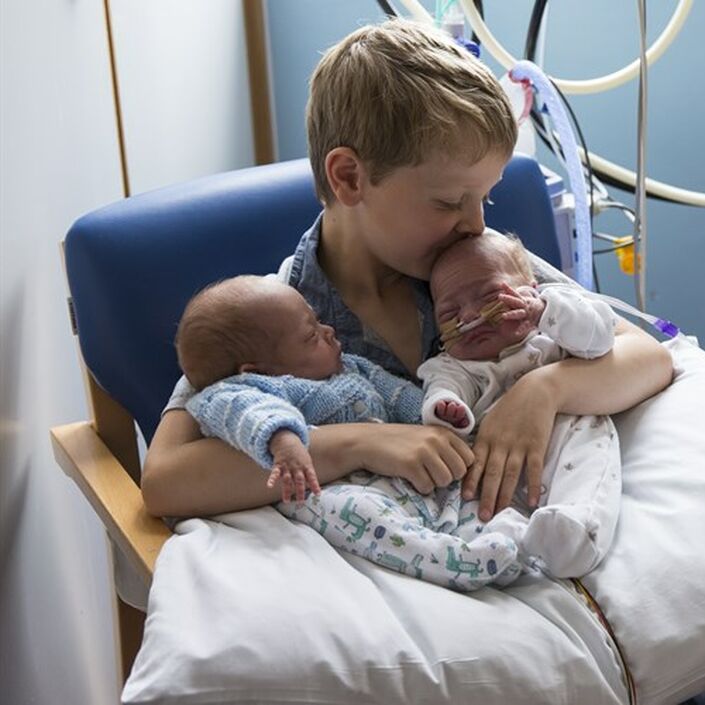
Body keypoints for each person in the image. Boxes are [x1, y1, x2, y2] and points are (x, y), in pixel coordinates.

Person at [141, 19, 672, 528]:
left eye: (485, 197)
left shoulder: (469, 265)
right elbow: (166, 479)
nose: (476, 223)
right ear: (349, 177)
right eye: (449, 201)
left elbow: (647, 356)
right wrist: (362, 442)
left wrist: (544, 391)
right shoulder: (279, 317)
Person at [177, 275, 523, 591]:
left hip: (395, 476)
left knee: (452, 494)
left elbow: (399, 396)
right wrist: (284, 440)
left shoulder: (353, 368)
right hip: (325, 486)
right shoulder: (244, 389)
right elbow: (250, 411)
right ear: (257, 370)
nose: (329, 332)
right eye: (312, 335)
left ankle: (502, 548)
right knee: (362, 517)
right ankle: (453, 563)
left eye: (319, 322)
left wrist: (441, 415)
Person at [418, 231, 621, 577]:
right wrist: (446, 406)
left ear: (530, 287)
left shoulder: (550, 332)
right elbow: (441, 387)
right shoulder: (455, 364)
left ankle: (576, 531)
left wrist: (544, 311)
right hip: (495, 460)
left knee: (589, 453)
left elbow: (601, 338)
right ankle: (504, 539)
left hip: (565, 435)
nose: (469, 317)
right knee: (472, 493)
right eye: (450, 313)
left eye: (491, 296)